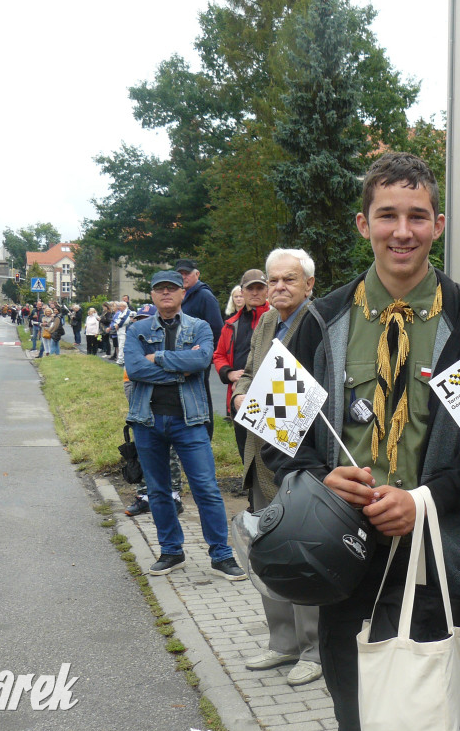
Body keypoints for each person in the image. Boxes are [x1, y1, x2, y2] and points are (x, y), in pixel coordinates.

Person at [263, 152, 460, 731]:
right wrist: (319, 476)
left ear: (439, 225)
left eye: (418, 216)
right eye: (387, 215)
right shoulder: (317, 322)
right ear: (363, 223)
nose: (403, 232)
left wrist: (424, 500)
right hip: (345, 563)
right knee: (361, 719)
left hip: (446, 566)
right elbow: (273, 439)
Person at [232, 249, 321, 687]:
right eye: (273, 281)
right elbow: (247, 372)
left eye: (289, 279)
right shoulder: (266, 321)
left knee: (302, 555)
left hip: (300, 459)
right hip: (259, 455)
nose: (279, 287)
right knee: (266, 552)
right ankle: (282, 642)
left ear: (309, 284)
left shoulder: (321, 323)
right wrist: (239, 394)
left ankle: (315, 649)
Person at [123, 270, 246, 580]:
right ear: (152, 295)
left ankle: (221, 555)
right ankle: (171, 551)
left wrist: (158, 358)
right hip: (147, 421)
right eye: (160, 289)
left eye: (172, 288)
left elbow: (202, 360)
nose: (166, 293)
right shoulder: (136, 330)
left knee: (206, 488)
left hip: (189, 421)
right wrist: (180, 368)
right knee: (158, 490)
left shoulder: (200, 327)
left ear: (182, 294)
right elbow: (135, 369)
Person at [122, 303, 186, 518]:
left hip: (166, 398)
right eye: (138, 319)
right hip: (137, 391)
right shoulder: (134, 339)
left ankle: (174, 493)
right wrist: (163, 367)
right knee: (143, 444)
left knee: (170, 445)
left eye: (145, 319)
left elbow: (177, 362)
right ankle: (144, 495)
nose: (141, 323)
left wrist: (160, 364)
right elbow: (135, 370)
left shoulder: (166, 336)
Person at [215, 269, 270, 453]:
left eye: (259, 288)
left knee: (270, 450)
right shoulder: (231, 324)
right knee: (244, 449)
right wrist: (229, 373)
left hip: (271, 394)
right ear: (242, 292)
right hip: (240, 395)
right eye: (250, 288)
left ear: (267, 290)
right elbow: (219, 355)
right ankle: (249, 483)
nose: (255, 292)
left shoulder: (277, 318)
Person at [174, 258, 224, 438]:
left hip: (198, 357)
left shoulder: (204, 296)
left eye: (187, 273)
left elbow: (217, 328)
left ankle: (205, 436)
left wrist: (208, 355)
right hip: (180, 357)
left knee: (200, 395)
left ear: (197, 274)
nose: (184, 277)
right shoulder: (180, 295)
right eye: (180, 274)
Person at [110, 300, 130, 365]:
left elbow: (124, 321)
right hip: (119, 331)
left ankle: (121, 360)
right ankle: (121, 359)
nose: (118, 307)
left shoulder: (127, 312)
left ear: (124, 306)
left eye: (120, 306)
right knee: (120, 346)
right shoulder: (121, 312)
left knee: (122, 346)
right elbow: (117, 320)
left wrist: (118, 325)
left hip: (124, 332)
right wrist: (115, 325)